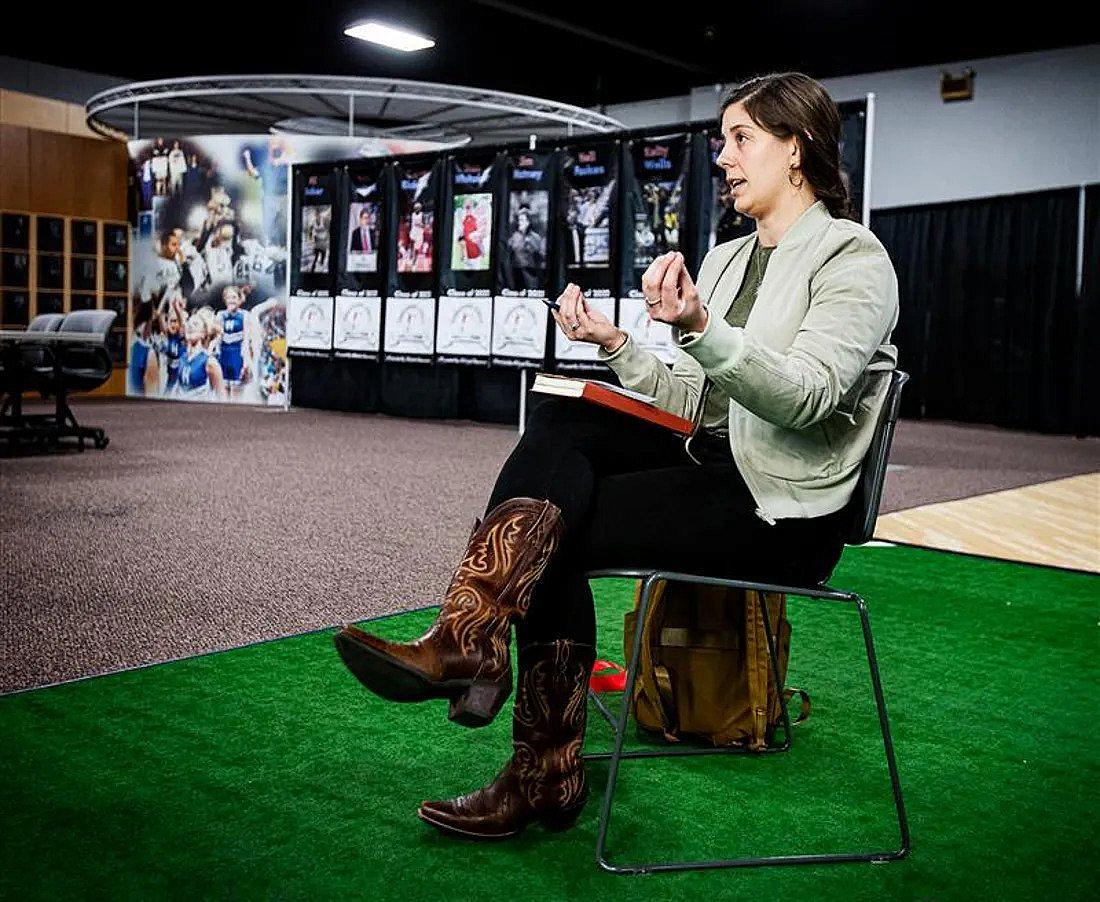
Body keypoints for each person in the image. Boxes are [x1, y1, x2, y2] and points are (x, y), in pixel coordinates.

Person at [334, 72, 900, 841]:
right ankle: (471, 642)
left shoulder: (855, 259)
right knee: (565, 417)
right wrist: (617, 346)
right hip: (714, 464)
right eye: (723, 141)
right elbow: (693, 401)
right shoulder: (730, 258)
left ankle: (536, 765)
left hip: (784, 510)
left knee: (558, 534)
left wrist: (702, 328)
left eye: (741, 139)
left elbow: (808, 396)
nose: (725, 158)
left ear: (796, 148)